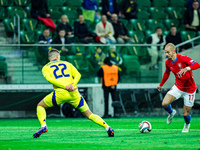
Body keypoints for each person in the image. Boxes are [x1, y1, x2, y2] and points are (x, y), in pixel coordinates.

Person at [33, 49, 114, 138]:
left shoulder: (45, 67)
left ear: (50, 58)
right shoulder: (67, 64)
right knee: (89, 114)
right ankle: (108, 128)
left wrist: (65, 86)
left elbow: (50, 79)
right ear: (57, 56)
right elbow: (78, 75)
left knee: (40, 106)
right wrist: (72, 85)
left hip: (60, 94)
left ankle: (43, 126)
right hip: (74, 93)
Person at [157, 43, 200, 132]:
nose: (166, 54)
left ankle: (187, 124)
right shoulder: (167, 62)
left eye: (168, 52)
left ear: (173, 51)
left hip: (190, 89)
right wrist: (161, 84)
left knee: (185, 113)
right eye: (165, 52)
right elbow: (167, 73)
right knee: (164, 103)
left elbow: (197, 65)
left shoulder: (183, 58)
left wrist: (187, 68)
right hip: (178, 87)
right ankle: (171, 112)